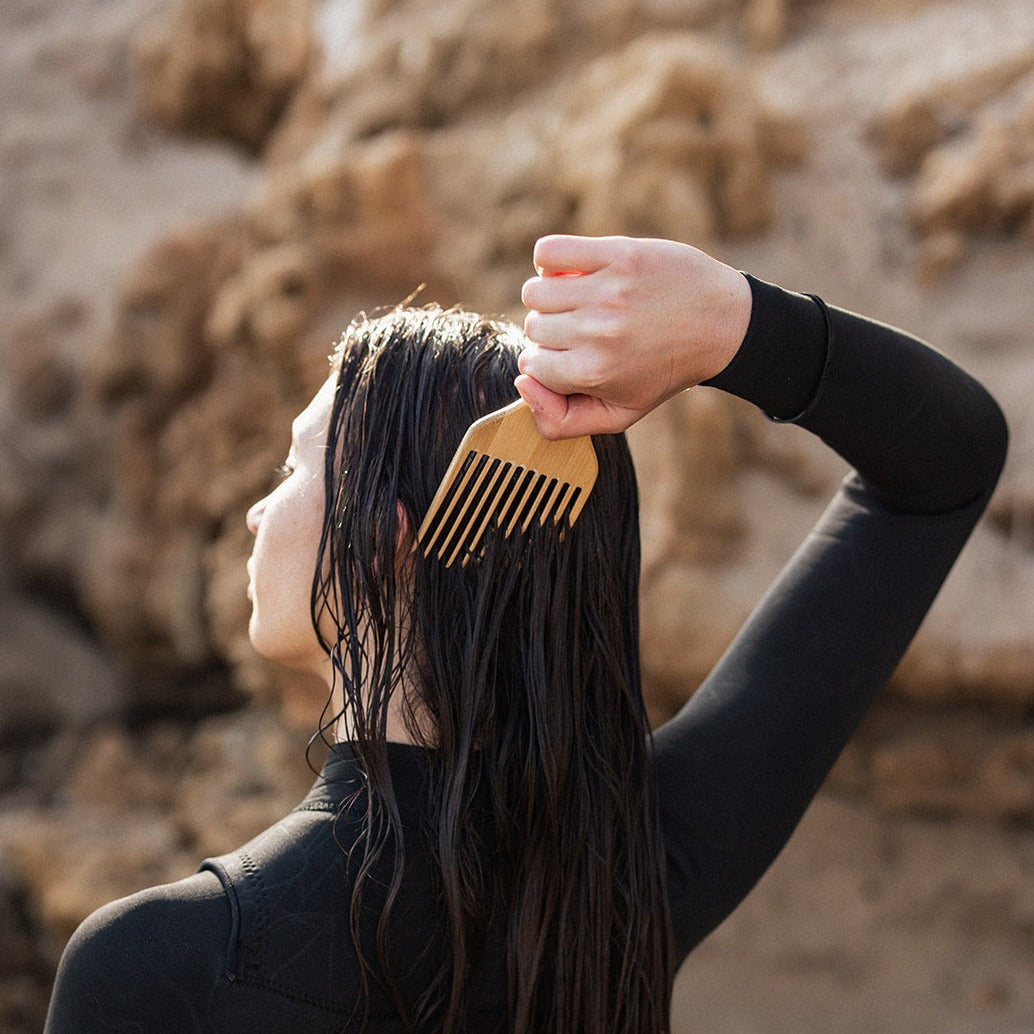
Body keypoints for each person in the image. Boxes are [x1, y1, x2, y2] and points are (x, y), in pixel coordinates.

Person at [44, 235, 1007, 1034]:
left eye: (293, 470)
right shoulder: (629, 879)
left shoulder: (156, 971)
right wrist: (734, 324)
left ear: (384, 541)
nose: (255, 514)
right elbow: (943, 467)